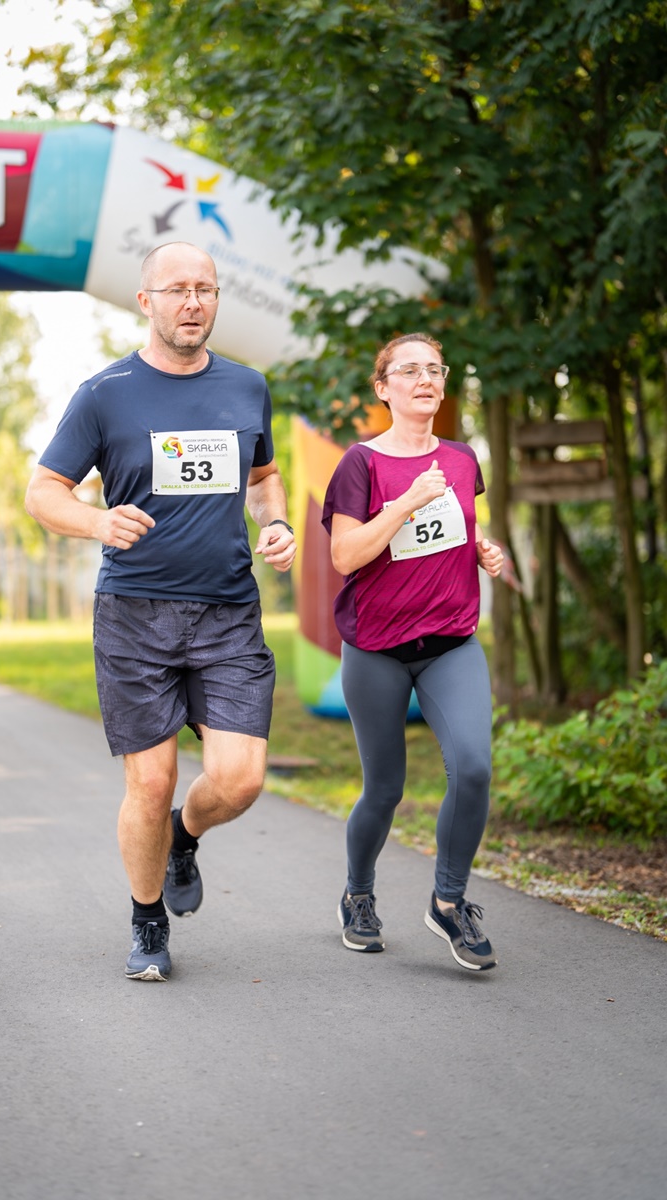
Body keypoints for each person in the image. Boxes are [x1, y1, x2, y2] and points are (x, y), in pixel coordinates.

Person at [25, 242, 295, 981]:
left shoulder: (247, 387)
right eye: (176, 289)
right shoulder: (105, 393)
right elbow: (44, 492)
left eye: (204, 289)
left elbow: (265, 478)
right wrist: (96, 522)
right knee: (149, 780)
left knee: (240, 779)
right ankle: (147, 920)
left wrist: (275, 523)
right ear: (145, 301)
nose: (192, 302)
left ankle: (184, 836)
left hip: (229, 612)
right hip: (135, 614)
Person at [321, 333, 504, 971]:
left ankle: (449, 903)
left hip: (451, 641)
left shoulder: (461, 458)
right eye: (409, 371)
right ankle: (359, 894)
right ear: (383, 388)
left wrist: (485, 550)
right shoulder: (360, 464)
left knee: (474, 768)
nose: (424, 379)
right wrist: (402, 504)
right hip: (376, 647)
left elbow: (455, 530)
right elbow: (346, 556)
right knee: (385, 789)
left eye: (434, 369)